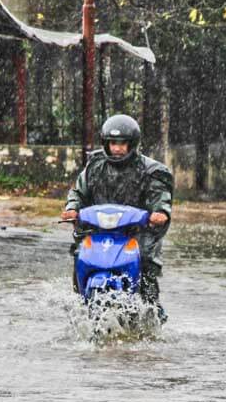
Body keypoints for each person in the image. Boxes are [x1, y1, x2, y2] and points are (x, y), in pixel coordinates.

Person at [61, 114, 174, 320]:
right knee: (80, 254)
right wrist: (72, 207)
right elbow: (78, 191)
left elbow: (161, 198)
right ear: (106, 143)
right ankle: (81, 303)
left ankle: (151, 313)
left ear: (133, 144)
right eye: (113, 143)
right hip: (98, 231)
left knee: (146, 263)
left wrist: (159, 213)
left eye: (123, 144)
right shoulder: (94, 166)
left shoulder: (152, 171)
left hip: (136, 232)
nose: (118, 148)